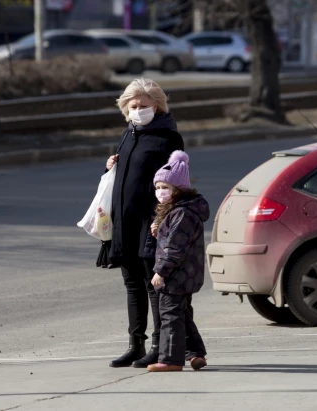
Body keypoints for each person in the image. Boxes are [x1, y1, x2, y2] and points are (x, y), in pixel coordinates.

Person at [105, 78, 184, 368]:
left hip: (151, 222)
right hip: (124, 221)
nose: (138, 111)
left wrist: (161, 218)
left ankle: (157, 346)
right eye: (133, 106)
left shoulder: (169, 138)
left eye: (143, 106)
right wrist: (112, 164)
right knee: (132, 284)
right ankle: (134, 345)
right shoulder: (128, 134)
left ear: (157, 106)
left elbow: (176, 183)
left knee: (154, 285)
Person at [148, 150, 209, 372]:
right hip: (187, 274)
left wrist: (161, 272)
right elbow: (173, 238)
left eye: (165, 188)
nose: (160, 192)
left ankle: (171, 360)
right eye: (157, 187)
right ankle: (195, 354)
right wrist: (159, 228)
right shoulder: (180, 210)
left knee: (170, 315)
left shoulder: (181, 213)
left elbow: (174, 248)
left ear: (179, 189)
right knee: (182, 314)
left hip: (177, 274)